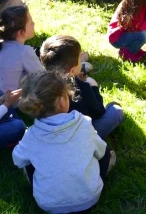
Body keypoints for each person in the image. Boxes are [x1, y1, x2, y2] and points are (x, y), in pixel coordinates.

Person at [14, 71, 115, 214]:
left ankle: (45, 187)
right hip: (89, 198)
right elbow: (100, 151)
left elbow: (18, 160)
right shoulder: (84, 123)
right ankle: (94, 180)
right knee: (105, 151)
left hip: (48, 204)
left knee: (27, 160)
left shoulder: (31, 136)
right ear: (62, 101)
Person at [40, 35, 125, 139]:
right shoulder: (82, 88)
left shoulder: (39, 86)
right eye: (80, 60)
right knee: (116, 112)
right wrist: (94, 88)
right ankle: (111, 107)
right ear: (71, 71)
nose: (81, 62)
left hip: (49, 135)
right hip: (80, 137)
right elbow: (98, 112)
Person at [0, 5, 44, 95]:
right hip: (10, 106)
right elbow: (43, 79)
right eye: (30, 22)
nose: (34, 23)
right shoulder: (24, 52)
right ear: (20, 32)